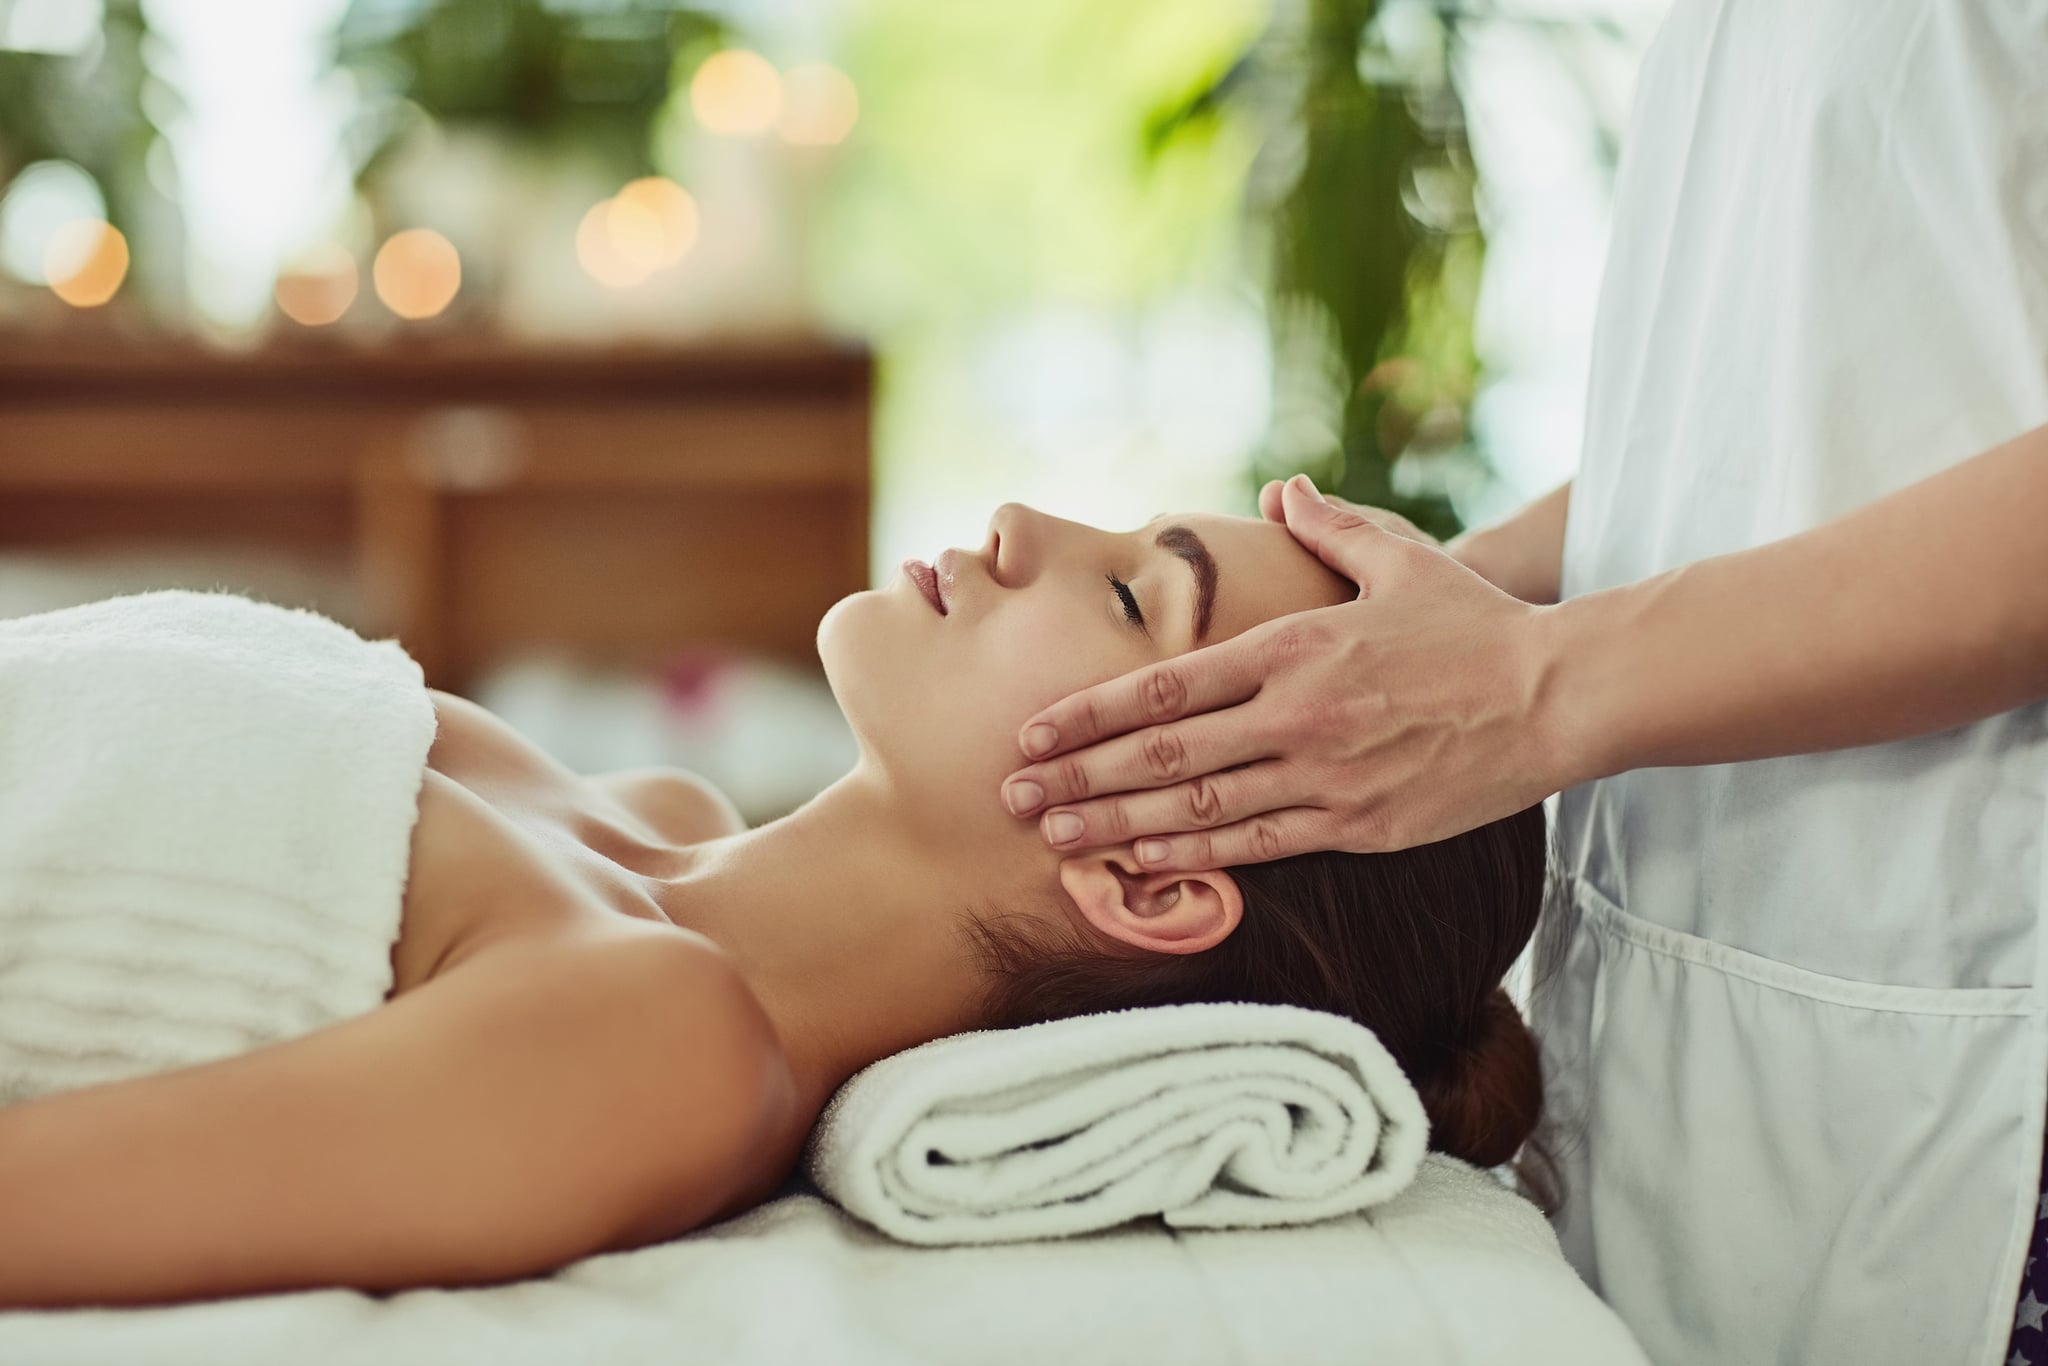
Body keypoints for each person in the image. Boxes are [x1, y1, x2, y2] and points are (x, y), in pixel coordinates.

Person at [996, 3, 2048, 1362]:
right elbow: (1788, 381)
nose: (1012, 523)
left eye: (1143, 593)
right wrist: (1478, 588)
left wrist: (1539, 681)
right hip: (1718, 1019)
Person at [0, 504, 1549, 1310]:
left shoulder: (657, 1045)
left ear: (1148, 875)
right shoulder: (643, 818)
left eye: (1137, 593)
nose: (1021, 522)